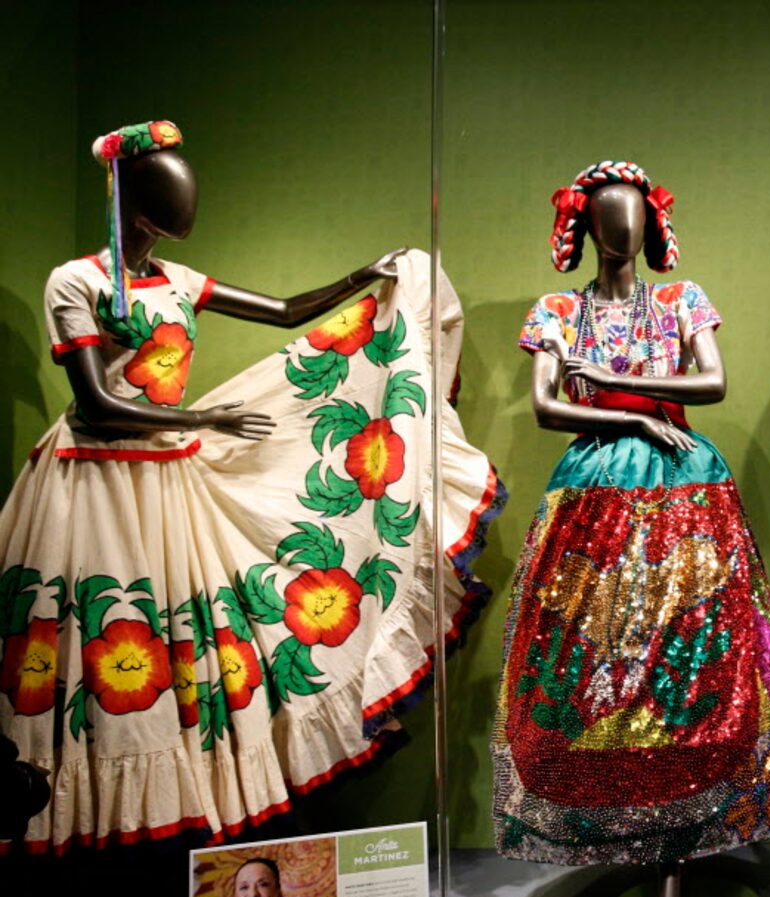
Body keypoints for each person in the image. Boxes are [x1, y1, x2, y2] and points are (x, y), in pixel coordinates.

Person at [0, 121, 502, 854]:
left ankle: (183, 804)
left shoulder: (178, 282)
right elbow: (97, 406)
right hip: (92, 482)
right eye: (173, 191)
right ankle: (79, 816)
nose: (187, 204)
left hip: (165, 477)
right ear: (136, 202)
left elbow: (287, 311)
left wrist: (367, 276)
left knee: (176, 639)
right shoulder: (75, 280)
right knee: (101, 639)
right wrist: (208, 416)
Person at [490, 162, 770, 897]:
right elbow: (546, 405)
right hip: (593, 494)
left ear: (650, 224)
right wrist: (636, 417)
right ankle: (622, 828)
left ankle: (683, 835)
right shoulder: (556, 309)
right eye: (609, 215)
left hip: (685, 484)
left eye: (634, 214)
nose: (623, 228)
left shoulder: (681, 299)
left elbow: (712, 384)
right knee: (597, 661)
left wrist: (614, 384)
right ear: (585, 226)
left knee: (690, 652)